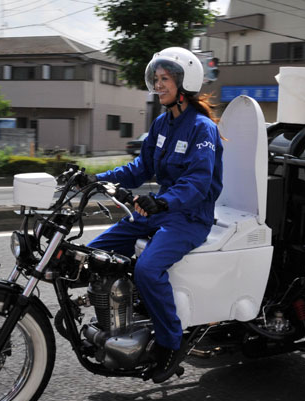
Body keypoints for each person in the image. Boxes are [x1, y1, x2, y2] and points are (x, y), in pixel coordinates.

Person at [84, 47, 224, 383]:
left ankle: (170, 343)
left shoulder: (203, 129)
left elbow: (198, 182)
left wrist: (163, 202)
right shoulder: (162, 123)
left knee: (148, 269)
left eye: (165, 79)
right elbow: (140, 167)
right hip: (158, 210)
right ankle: (119, 312)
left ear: (183, 83)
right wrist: (96, 179)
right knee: (98, 251)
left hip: (189, 217)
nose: (158, 85)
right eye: (156, 79)